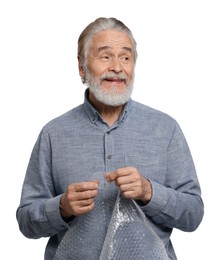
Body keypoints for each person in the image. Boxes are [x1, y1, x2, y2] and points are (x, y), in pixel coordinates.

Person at [16, 17, 204, 260]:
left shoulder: (165, 129)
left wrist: (149, 192)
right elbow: (26, 222)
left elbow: (193, 215)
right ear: (82, 66)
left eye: (125, 57)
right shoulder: (53, 133)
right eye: (105, 56)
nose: (117, 67)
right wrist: (62, 208)